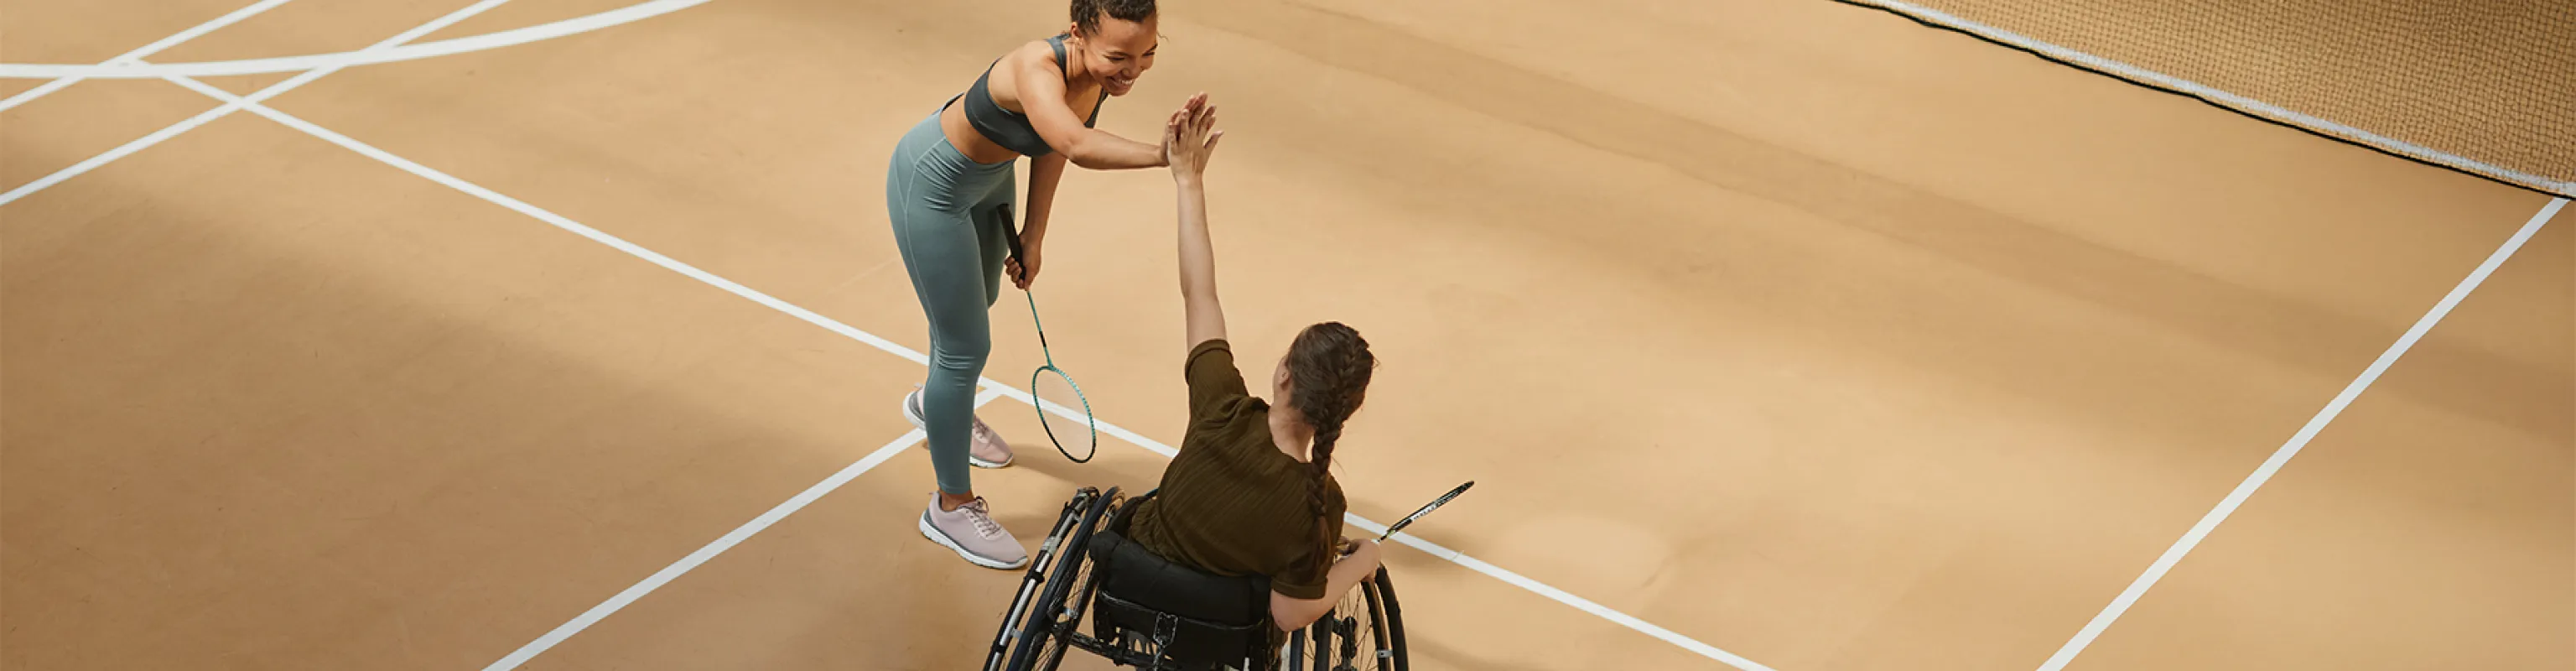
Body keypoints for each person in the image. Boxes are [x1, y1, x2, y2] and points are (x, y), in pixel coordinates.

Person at [890, 0, 1202, 570]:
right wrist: (1164, 157)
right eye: (1117, 56)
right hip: (933, 189)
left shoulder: (1095, 77)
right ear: (1078, 33)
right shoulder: (1036, 68)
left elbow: (1057, 145)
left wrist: (1034, 235)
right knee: (964, 346)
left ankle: (937, 407)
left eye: (1147, 54)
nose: (1131, 69)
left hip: (990, 186)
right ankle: (950, 506)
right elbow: (1078, 146)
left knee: (974, 304)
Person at [1122, 97, 1387, 662]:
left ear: (1283, 373)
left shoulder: (1221, 406)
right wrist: (1361, 562)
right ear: (1346, 412)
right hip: (1215, 637)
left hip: (1128, 590)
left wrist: (1187, 181)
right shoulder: (1319, 505)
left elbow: (1200, 291)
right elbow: (1291, 613)